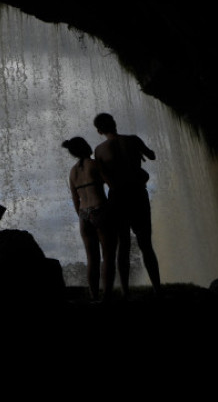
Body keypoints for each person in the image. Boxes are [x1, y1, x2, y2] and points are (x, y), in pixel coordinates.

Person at [93, 112, 162, 297]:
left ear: (99, 131)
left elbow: (105, 179)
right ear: (114, 123)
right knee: (146, 244)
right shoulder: (133, 140)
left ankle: (125, 292)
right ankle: (157, 289)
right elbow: (152, 156)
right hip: (138, 193)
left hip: (118, 197)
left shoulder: (99, 150)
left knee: (123, 246)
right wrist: (139, 156)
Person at [63, 136, 116, 301]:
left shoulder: (73, 172)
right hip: (100, 209)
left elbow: (75, 198)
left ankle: (93, 296)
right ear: (86, 146)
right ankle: (107, 295)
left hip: (83, 215)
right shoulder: (94, 164)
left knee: (92, 259)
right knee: (108, 256)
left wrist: (81, 215)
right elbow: (112, 185)